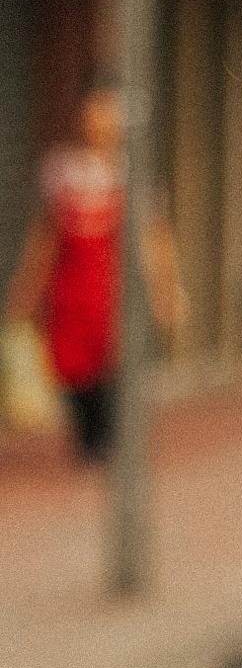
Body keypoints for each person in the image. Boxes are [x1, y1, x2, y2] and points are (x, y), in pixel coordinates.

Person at [6, 86, 180, 460]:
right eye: (95, 115)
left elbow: (154, 238)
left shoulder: (135, 174)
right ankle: (87, 437)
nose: (102, 125)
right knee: (71, 366)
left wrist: (165, 290)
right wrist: (26, 288)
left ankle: (106, 441)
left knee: (114, 367)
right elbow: (45, 237)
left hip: (114, 292)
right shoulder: (63, 170)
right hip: (71, 291)